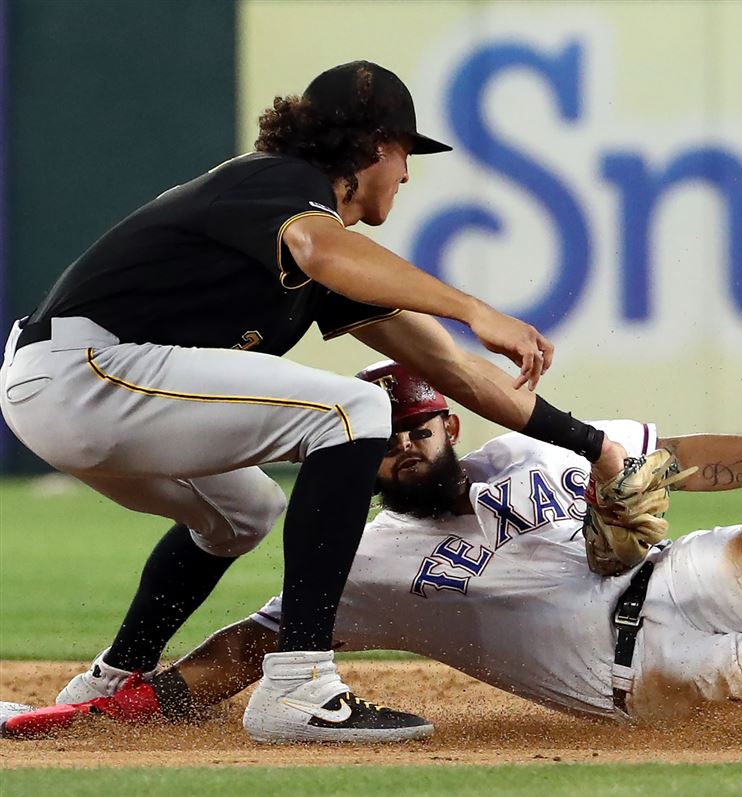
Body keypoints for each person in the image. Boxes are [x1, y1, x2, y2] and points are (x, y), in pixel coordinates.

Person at [0, 61, 630, 744]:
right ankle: (298, 681)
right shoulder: (280, 184)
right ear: (371, 147)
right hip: (80, 372)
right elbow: (318, 245)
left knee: (245, 509)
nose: (408, 175)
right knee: (355, 410)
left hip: (86, 388)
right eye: (404, 154)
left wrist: (595, 446)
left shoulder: (324, 253)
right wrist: (472, 307)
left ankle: (112, 676)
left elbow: (453, 368)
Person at [5, 363, 742, 738]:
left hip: (663, 571)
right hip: (634, 675)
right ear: (351, 464)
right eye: (396, 439)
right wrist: (115, 707)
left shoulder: (509, 457)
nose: (421, 440)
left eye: (428, 418)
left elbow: (684, 459)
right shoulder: (351, 565)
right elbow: (244, 650)